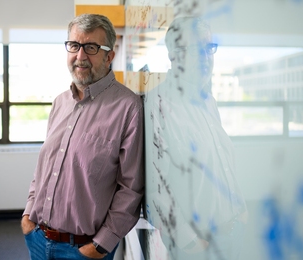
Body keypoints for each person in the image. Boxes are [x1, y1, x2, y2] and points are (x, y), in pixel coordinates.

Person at [21, 14, 144, 260]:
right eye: (74, 46)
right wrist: (28, 215)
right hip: (38, 239)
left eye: (91, 47)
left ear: (110, 55)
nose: (80, 56)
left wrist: (99, 246)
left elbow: (131, 188)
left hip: (83, 251)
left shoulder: (128, 107)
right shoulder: (60, 102)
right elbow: (45, 167)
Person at [144, 16, 247, 260]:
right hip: (200, 246)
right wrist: (189, 243)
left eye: (209, 48)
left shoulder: (208, 100)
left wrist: (241, 209)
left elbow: (222, 163)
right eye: (195, 49)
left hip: (233, 233)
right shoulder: (156, 105)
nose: (205, 57)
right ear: (174, 54)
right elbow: (155, 188)